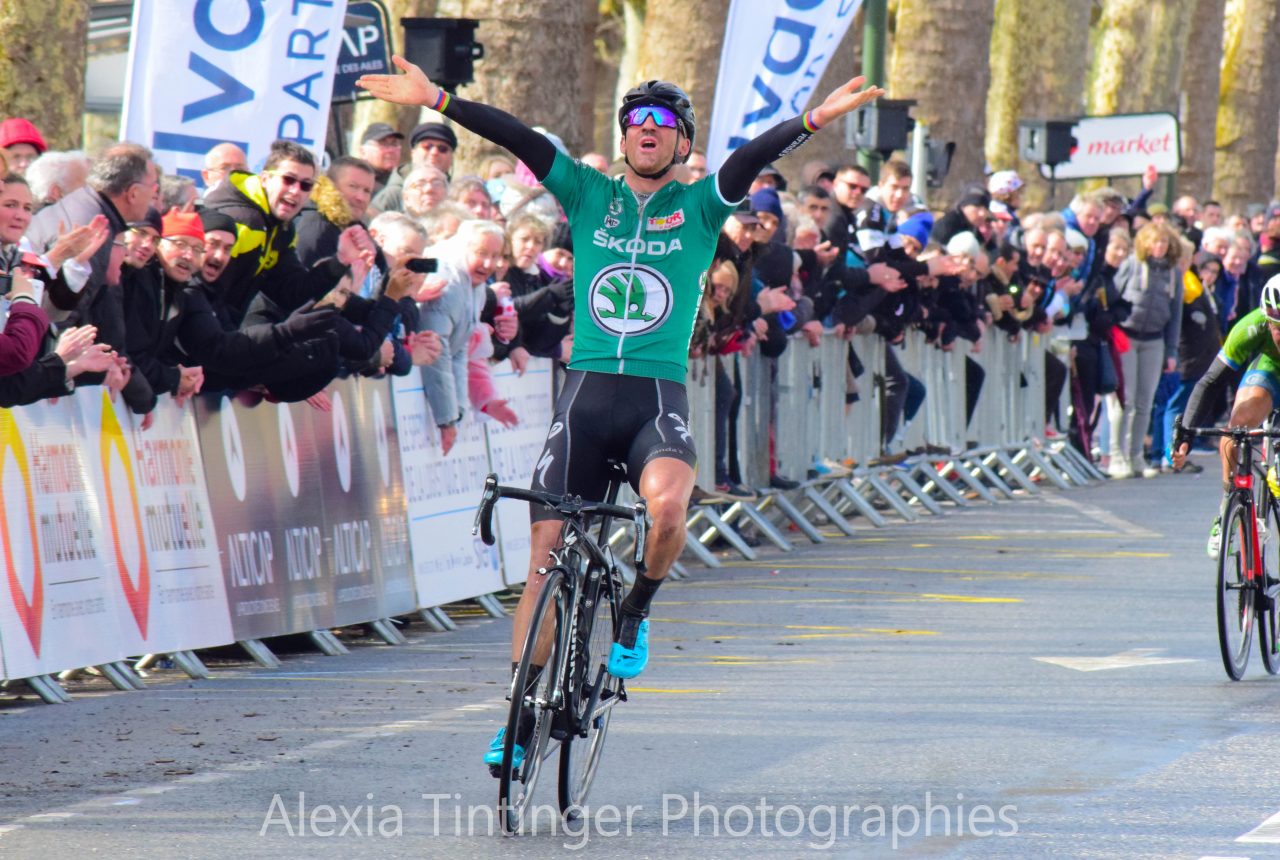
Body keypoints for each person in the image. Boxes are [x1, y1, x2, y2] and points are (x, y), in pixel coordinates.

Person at [359, 53, 885, 770]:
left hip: (653, 402)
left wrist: (814, 119)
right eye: (635, 118)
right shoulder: (585, 193)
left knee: (667, 511)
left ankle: (635, 611)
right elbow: (517, 137)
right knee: (543, 569)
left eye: (662, 121)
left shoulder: (701, 205)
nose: (646, 128)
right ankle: (518, 717)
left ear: (681, 143)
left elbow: (753, 155)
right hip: (583, 401)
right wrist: (442, 99)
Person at [1173, 275, 1280, 555]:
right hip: (1270, 371)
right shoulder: (1251, 326)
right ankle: (1229, 505)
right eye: (1277, 327)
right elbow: (1209, 382)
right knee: (1236, 428)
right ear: (1267, 319)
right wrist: (1186, 431)